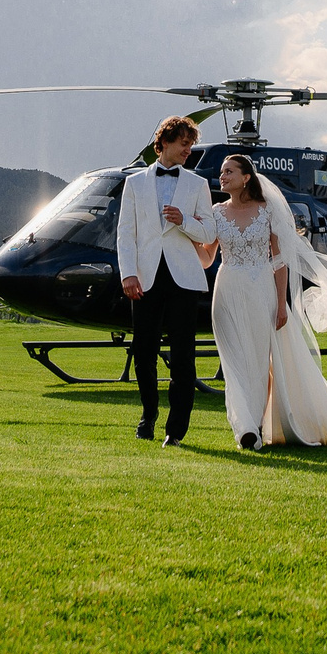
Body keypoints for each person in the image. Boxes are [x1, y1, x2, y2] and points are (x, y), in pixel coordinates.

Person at [209, 152, 327, 451]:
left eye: (229, 172)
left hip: (261, 288)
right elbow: (206, 255)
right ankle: (245, 427)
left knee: (260, 361)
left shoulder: (266, 211)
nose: (222, 176)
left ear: (245, 177)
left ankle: (256, 425)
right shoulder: (216, 212)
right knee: (233, 359)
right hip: (226, 290)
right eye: (222, 172)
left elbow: (278, 262)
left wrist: (280, 303)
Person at [116, 115, 217, 447]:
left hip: (184, 279)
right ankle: (148, 416)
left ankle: (176, 431)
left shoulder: (197, 184)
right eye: (184, 144)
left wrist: (184, 220)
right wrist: (128, 273)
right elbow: (125, 235)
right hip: (144, 278)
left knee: (183, 357)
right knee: (143, 352)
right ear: (165, 143)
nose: (189, 150)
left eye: (191, 144)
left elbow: (209, 232)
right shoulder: (135, 184)